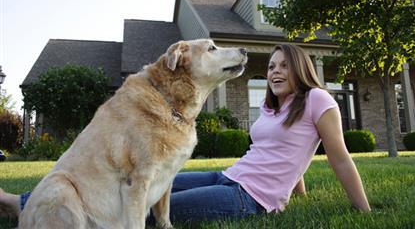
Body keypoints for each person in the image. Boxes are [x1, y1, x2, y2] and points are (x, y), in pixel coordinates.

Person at [0, 43, 371, 224]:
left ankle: (33, 210)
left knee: (137, 208)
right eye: (271, 67)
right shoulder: (278, 106)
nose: (274, 73)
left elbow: (337, 156)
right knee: (153, 186)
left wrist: (363, 210)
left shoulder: (319, 100)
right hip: (228, 176)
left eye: (283, 66)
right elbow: (288, 152)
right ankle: (28, 201)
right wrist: (296, 185)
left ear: (301, 68)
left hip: (250, 198)